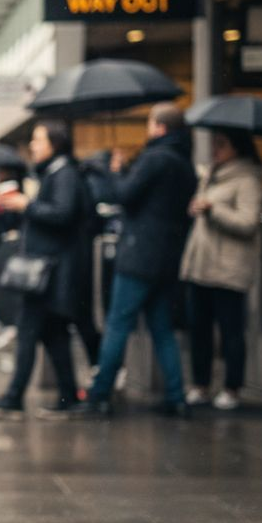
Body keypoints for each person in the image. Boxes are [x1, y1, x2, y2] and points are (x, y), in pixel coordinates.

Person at [71, 104, 198, 418]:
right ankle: (176, 396)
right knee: (162, 328)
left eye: (150, 123)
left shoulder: (155, 158)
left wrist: (116, 170)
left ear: (160, 128)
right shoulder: (185, 164)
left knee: (117, 324)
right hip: (168, 258)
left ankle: (100, 394)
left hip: (140, 255)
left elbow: (124, 195)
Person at [0, 121, 86, 420]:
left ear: (55, 143)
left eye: (38, 140)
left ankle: (14, 398)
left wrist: (27, 204)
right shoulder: (54, 172)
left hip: (48, 272)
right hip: (48, 272)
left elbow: (62, 214)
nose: (33, 146)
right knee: (54, 336)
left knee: (28, 331)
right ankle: (69, 397)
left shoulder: (64, 174)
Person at [180, 129, 262, 410]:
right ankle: (201, 385)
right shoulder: (210, 175)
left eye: (221, 144)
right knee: (199, 330)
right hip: (201, 266)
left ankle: (232, 387)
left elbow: (248, 222)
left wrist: (214, 209)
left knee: (230, 331)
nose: (215, 150)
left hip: (228, 270)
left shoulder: (248, 179)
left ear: (237, 148)